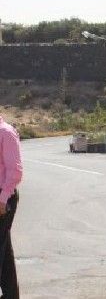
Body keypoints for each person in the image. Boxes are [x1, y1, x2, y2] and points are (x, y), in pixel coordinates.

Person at [0, 116, 22, 298]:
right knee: (4, 252)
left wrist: (2, 199)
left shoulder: (5, 132)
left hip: (2, 197)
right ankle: (11, 295)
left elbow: (15, 170)